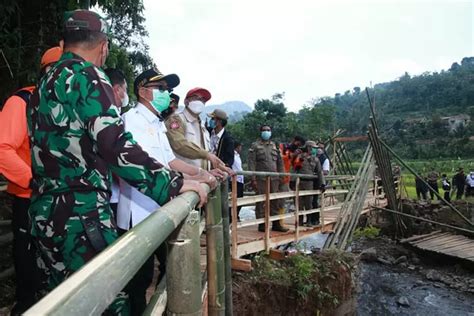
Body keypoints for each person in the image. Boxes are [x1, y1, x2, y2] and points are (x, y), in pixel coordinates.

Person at [27, 10, 204, 314]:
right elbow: (115, 146)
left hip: (43, 214)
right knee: (107, 301)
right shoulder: (89, 77)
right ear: (104, 46)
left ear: (62, 42)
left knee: (61, 304)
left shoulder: (43, 84)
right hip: (80, 215)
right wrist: (172, 185)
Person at [117, 68, 214, 315]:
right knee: (138, 280)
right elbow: (140, 166)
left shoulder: (158, 124)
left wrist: (201, 174)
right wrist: (185, 181)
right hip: (138, 212)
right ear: (142, 91)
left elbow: (170, 161)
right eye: (160, 89)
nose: (166, 94)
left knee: (171, 267)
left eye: (167, 89)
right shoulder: (131, 121)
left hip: (162, 207)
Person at [0, 46, 62, 315]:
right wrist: (34, 181)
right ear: (47, 72)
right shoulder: (22, 102)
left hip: (61, 203)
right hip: (30, 201)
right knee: (29, 274)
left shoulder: (64, 107)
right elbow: (2, 148)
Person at [165, 87, 227, 173]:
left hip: (202, 179)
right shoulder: (177, 119)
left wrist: (218, 168)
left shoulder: (202, 126)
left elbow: (205, 155)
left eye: (203, 100)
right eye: (196, 98)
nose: (200, 102)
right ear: (186, 102)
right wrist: (207, 155)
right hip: (184, 179)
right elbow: (180, 145)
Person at [248, 125, 288, 232]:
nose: (266, 132)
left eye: (268, 130)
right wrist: (253, 178)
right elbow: (251, 163)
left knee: (275, 200)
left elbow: (280, 162)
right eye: (264, 130)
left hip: (274, 179)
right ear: (260, 132)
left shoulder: (274, 146)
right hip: (261, 179)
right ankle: (262, 224)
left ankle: (276, 224)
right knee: (261, 201)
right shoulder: (255, 146)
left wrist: (282, 175)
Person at [103, 68, 129, 220]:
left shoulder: (115, 115)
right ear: (117, 89)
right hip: (106, 196)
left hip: (115, 194)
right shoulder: (104, 118)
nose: (125, 95)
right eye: (125, 90)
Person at [296, 141, 325, 226]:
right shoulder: (300, 157)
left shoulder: (315, 159)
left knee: (309, 202)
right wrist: (292, 181)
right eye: (313, 148)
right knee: (299, 203)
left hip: (309, 182)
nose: (315, 150)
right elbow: (294, 169)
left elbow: (320, 172)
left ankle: (309, 220)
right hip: (299, 182)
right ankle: (299, 221)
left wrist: (322, 184)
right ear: (308, 148)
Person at [231, 141, 244, 221]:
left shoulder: (237, 156)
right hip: (235, 180)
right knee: (236, 199)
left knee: (240, 199)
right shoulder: (232, 156)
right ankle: (233, 216)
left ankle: (236, 215)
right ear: (238, 147)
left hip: (240, 180)